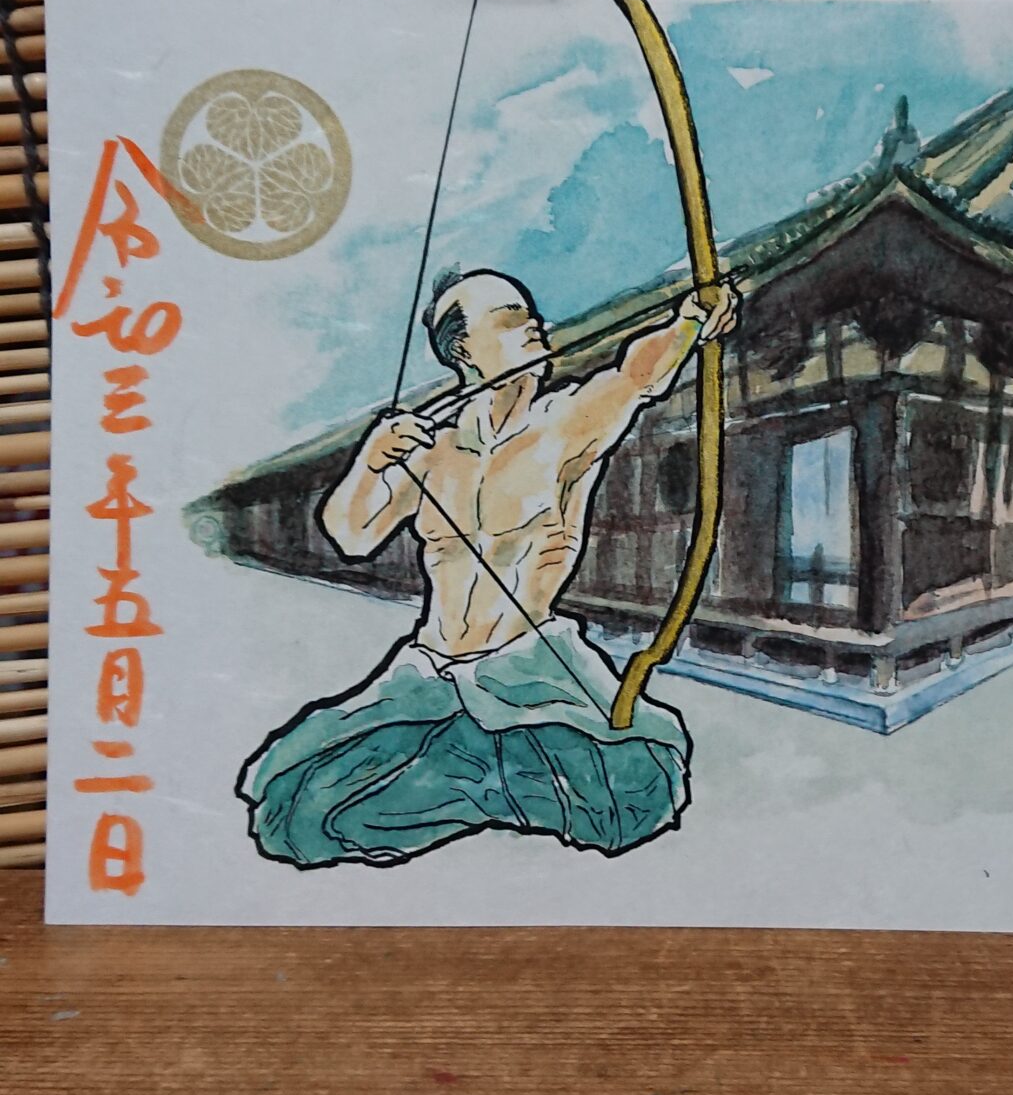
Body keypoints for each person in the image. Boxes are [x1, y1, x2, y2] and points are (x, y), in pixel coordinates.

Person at [238, 265, 738, 868]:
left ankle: (493, 786)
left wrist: (692, 320)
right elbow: (351, 534)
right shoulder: (433, 451)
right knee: (294, 810)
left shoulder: (566, 423)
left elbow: (636, 375)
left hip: (529, 670)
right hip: (428, 675)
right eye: (510, 319)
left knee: (632, 800)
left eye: (530, 315)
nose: (535, 325)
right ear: (464, 351)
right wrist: (370, 462)